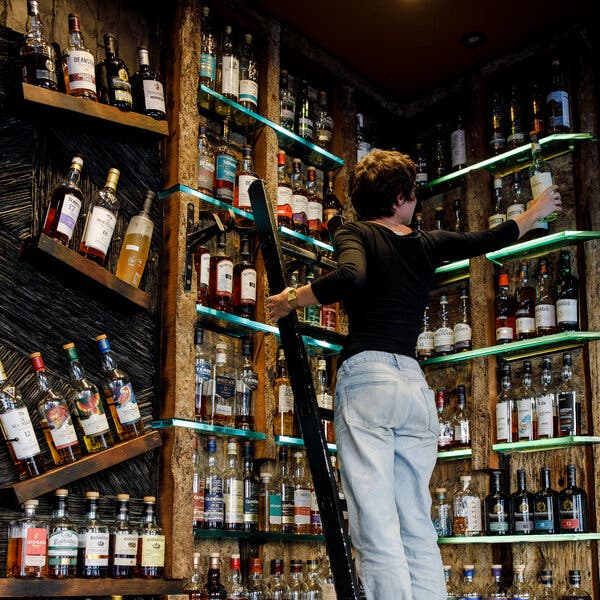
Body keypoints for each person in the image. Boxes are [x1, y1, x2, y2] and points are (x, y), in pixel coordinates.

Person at [266, 149, 561, 600]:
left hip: (368, 377)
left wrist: (292, 298)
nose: (416, 205)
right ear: (401, 198)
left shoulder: (355, 232)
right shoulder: (426, 242)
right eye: (413, 197)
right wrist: (537, 212)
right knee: (416, 526)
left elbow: (349, 275)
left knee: (376, 527)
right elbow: (486, 238)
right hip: (413, 385)